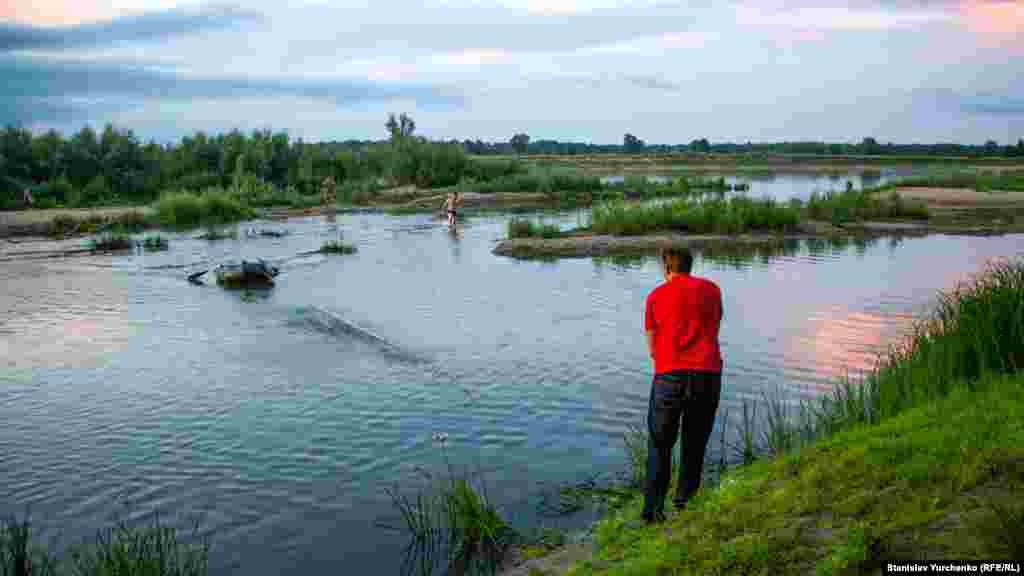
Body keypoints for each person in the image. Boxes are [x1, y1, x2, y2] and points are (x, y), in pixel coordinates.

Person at [641, 246, 723, 524]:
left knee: (660, 444)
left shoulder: (655, 296)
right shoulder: (712, 290)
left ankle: (653, 511)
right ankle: (685, 501)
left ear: (666, 268)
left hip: (669, 376)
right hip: (707, 375)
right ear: (690, 266)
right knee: (695, 441)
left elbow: (652, 347)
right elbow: (714, 328)